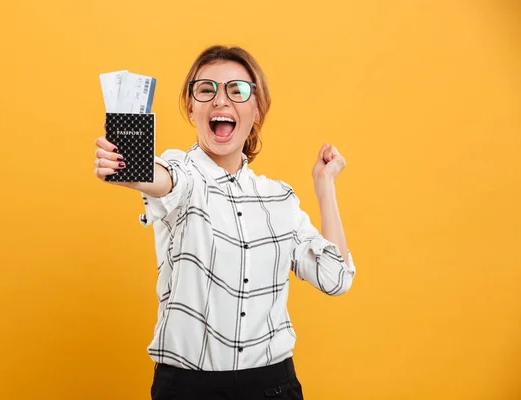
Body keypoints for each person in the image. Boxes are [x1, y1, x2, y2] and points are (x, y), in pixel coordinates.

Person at [94, 45, 356, 400]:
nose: (221, 100)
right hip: (187, 389)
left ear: (257, 110)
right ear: (191, 107)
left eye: (237, 90)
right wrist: (129, 164)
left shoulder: (279, 199)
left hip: (273, 387)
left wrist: (325, 188)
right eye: (206, 90)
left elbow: (335, 277)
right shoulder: (185, 175)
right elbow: (166, 178)